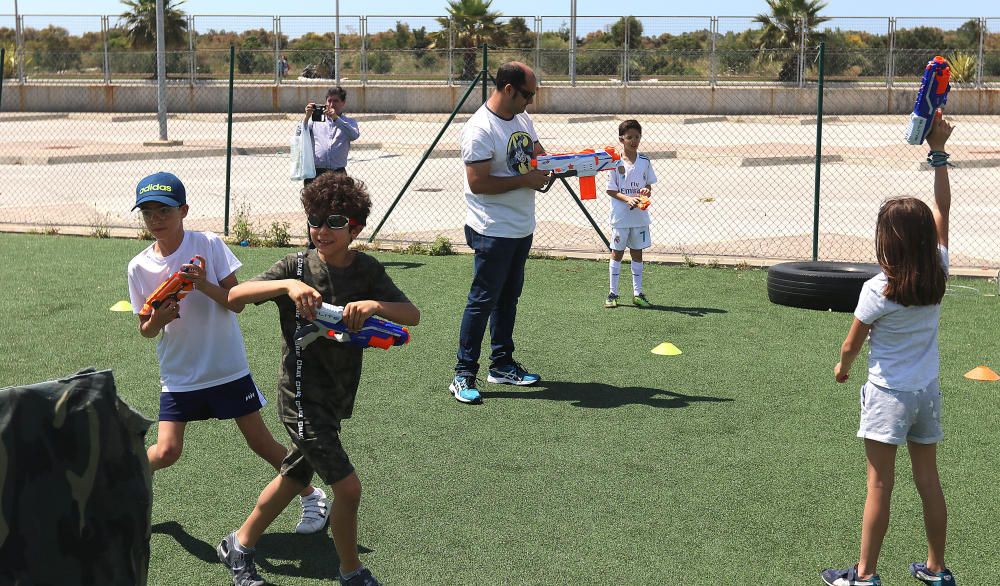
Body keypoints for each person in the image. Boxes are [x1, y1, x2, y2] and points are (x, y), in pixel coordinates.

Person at [216, 172, 420, 586]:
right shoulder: (295, 265)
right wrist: (288, 286)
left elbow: (411, 315)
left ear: (355, 228)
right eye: (314, 220)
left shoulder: (366, 269)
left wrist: (375, 305)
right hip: (300, 396)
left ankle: (238, 543)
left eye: (335, 222)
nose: (322, 230)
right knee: (348, 490)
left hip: (337, 397)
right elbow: (233, 299)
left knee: (294, 476)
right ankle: (351, 571)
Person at [126, 171, 331, 537]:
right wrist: (158, 318)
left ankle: (312, 495)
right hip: (179, 372)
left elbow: (236, 304)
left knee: (261, 442)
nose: (156, 220)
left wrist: (201, 284)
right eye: (148, 213)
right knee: (167, 451)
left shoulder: (207, 244)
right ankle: (115, 485)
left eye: (164, 211)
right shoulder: (139, 266)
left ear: (183, 210)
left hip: (225, 368)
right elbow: (146, 329)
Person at [821, 114, 956, 586]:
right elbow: (943, 211)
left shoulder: (879, 288)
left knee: (879, 485)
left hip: (888, 395)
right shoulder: (938, 268)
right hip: (927, 394)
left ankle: (865, 575)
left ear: (887, 239)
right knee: (928, 482)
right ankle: (937, 570)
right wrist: (938, 153)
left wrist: (843, 366)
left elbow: (851, 341)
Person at [449, 61, 552, 405]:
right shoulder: (479, 128)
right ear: (508, 89)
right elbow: (477, 183)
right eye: (527, 94)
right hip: (492, 231)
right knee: (482, 302)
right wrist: (525, 179)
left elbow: (538, 155)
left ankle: (502, 364)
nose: (531, 101)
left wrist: (569, 163)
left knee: (509, 299)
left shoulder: (522, 118)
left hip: (522, 227)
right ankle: (463, 374)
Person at [604, 119, 658, 309]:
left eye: (637, 137)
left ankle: (637, 294)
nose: (634, 141)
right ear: (621, 139)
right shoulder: (614, 163)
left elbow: (648, 185)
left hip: (639, 218)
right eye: (629, 138)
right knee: (617, 253)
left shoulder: (644, 161)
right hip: (620, 218)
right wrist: (627, 199)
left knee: (637, 253)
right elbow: (610, 190)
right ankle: (613, 294)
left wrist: (645, 192)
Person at [303, 86, 360, 186]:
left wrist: (336, 119)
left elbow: (354, 135)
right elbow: (300, 134)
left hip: (338, 173)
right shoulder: (315, 120)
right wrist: (307, 117)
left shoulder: (349, 122)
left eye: (336, 101)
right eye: (329, 101)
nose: (332, 104)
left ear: (343, 103)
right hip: (317, 172)